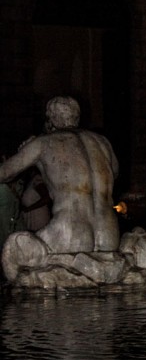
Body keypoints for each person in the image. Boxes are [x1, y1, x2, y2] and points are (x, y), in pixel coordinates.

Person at [0, 95, 120, 256]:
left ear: (51, 119)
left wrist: (26, 150)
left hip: (69, 233)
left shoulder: (43, 142)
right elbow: (115, 173)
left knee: (15, 248)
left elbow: (4, 173)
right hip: (110, 234)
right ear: (77, 117)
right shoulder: (102, 142)